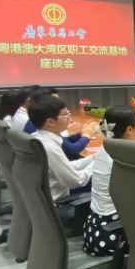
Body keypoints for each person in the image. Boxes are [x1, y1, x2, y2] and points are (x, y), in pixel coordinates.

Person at [83, 104, 135, 257]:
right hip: (114, 235)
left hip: (94, 229)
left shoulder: (107, 149)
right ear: (129, 129)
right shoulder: (124, 158)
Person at [29, 95, 94, 227]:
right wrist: (97, 165)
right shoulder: (50, 147)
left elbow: (66, 166)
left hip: (44, 199)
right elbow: (75, 181)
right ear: (50, 122)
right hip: (60, 203)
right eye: (65, 115)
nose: (68, 117)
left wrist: (93, 158)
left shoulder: (38, 137)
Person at [24, 88, 98, 160]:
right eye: (55, 100)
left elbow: (63, 141)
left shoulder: (39, 125)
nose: (58, 102)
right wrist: (86, 135)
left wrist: (80, 134)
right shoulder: (46, 140)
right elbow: (72, 150)